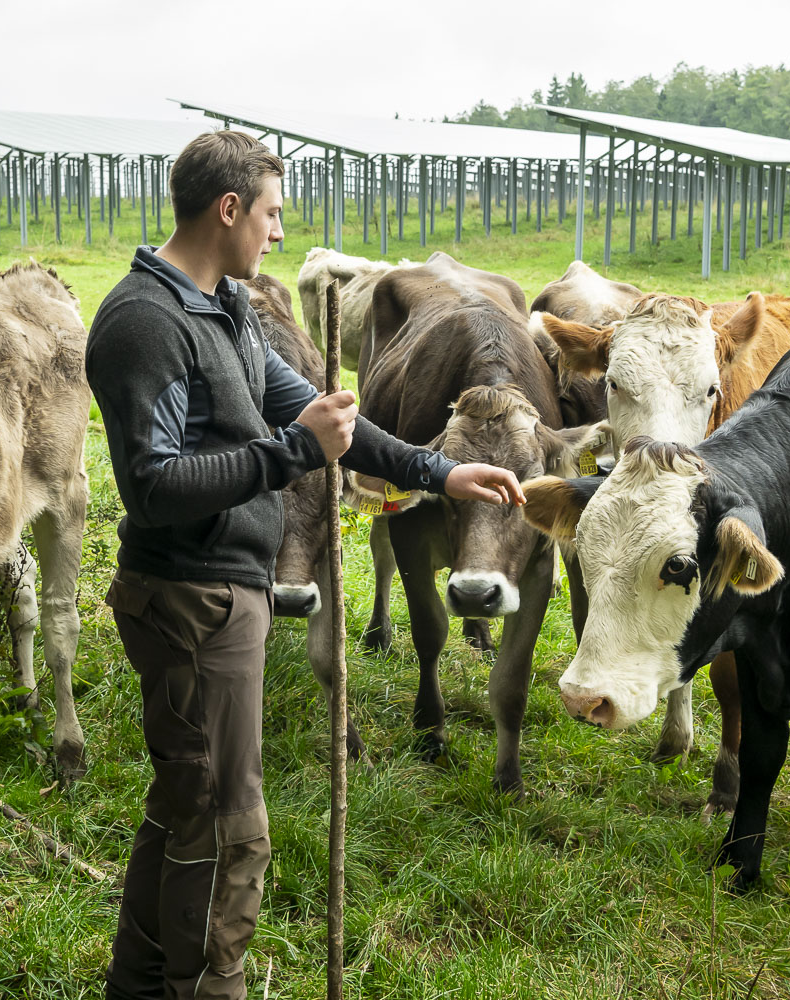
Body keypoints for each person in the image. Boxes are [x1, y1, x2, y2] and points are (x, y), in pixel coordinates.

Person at [85, 130, 524, 1000]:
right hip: (191, 600)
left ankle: (137, 985)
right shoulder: (147, 322)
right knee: (228, 824)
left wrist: (442, 470)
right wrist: (292, 450)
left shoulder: (223, 309)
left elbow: (326, 420)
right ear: (230, 209)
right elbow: (153, 486)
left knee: (182, 806)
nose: (280, 233)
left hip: (224, 589)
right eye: (273, 213)